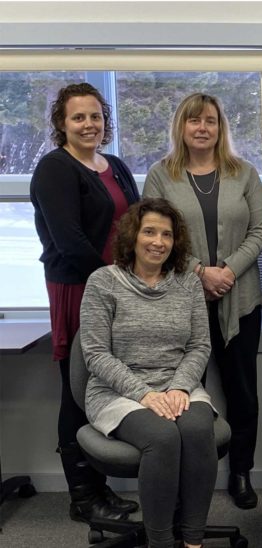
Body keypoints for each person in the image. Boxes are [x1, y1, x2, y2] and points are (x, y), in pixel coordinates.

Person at [143, 93, 262, 509]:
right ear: (181, 126)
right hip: (180, 303)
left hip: (240, 301)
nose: (202, 128)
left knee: (242, 393)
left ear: (220, 127)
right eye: (194, 120)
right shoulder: (162, 176)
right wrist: (200, 271)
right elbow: (157, 233)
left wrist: (228, 270)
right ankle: (185, 478)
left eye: (210, 121)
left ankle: (241, 473)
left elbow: (261, 230)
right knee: (181, 392)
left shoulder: (245, 173)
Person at [29, 82, 139, 523]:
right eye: (78, 117)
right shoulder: (54, 169)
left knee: (105, 386)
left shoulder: (114, 166)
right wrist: (112, 286)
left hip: (119, 290)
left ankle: (101, 488)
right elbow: (69, 241)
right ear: (62, 123)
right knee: (77, 389)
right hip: (80, 289)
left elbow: (134, 223)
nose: (89, 124)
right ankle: (82, 495)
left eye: (95, 116)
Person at [80, 198, 216, 548]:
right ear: (133, 236)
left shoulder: (186, 282)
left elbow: (199, 346)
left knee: (199, 429)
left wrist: (181, 387)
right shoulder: (103, 282)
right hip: (118, 393)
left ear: (176, 241)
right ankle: (160, 542)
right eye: (149, 231)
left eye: (167, 234)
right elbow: (95, 354)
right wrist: (144, 394)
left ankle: (193, 540)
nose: (158, 241)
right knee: (163, 436)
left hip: (177, 386)